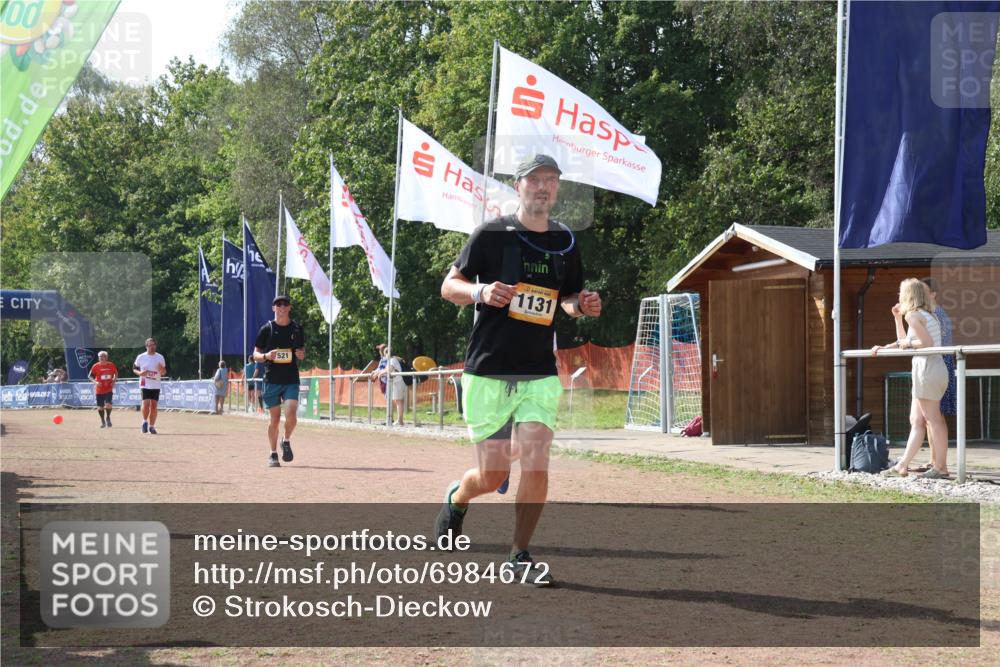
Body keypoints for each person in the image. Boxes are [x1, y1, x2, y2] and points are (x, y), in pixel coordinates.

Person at [435, 154, 602, 586]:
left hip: (538, 370)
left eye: (551, 180)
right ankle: (458, 498)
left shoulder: (565, 241)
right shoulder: (491, 234)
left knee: (537, 458)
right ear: (518, 186)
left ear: (557, 188)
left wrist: (581, 306)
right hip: (488, 368)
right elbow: (449, 286)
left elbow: (567, 299)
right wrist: (481, 291)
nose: (543, 187)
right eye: (535, 180)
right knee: (491, 476)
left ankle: (518, 555)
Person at [872, 278, 949, 479]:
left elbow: (925, 342)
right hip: (929, 369)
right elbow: (906, 340)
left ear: (908, 295)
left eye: (901, 293)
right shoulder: (923, 314)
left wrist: (907, 344)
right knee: (916, 419)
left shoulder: (914, 315)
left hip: (928, 369)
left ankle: (940, 468)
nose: (899, 296)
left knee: (933, 420)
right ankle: (902, 465)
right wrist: (897, 321)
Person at [253, 295, 306, 468]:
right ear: (273, 308)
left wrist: (301, 354)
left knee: (291, 414)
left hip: (291, 379)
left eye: (285, 304)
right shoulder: (266, 329)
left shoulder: (297, 328)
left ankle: (286, 440)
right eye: (278, 304)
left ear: (289, 308)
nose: (282, 307)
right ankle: (273, 453)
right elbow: (255, 354)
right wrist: (266, 356)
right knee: (274, 419)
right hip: (271, 380)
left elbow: (301, 351)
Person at [133, 337, 166, 434]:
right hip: (145, 384)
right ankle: (144, 422)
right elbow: (134, 368)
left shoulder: (160, 357)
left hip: (156, 384)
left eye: (154, 345)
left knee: (154, 406)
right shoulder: (141, 357)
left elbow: (164, 372)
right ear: (146, 346)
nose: (152, 347)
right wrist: (140, 373)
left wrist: (162, 370)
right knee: (146, 404)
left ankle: (152, 426)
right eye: (150, 345)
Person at [372, 343, 406, 426]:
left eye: (385, 353)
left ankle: (400, 421)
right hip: (396, 383)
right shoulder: (391, 360)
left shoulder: (392, 360)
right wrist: (380, 372)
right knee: (398, 401)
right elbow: (386, 369)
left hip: (398, 382)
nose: (384, 355)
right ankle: (399, 420)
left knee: (399, 401)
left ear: (388, 353)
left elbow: (389, 369)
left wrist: (380, 373)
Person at [88, 351, 118, 428]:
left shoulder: (111, 365)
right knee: (100, 407)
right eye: (100, 356)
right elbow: (90, 376)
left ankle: (108, 418)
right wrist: (96, 382)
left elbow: (116, 373)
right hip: (99, 390)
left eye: (103, 356)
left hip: (108, 389)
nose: (101, 358)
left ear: (106, 357)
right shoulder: (95, 366)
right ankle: (102, 421)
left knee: (108, 405)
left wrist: (114, 381)